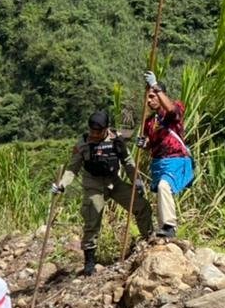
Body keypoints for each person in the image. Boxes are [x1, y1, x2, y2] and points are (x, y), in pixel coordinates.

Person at [51, 109, 153, 275]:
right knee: (93, 215)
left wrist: (137, 180)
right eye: (92, 131)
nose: (94, 135)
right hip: (94, 185)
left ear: (106, 129)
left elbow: (127, 161)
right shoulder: (83, 143)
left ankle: (148, 240)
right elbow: (72, 168)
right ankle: (89, 260)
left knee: (142, 206)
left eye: (98, 132)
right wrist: (61, 185)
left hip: (114, 183)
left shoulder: (116, 140)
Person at [138, 71, 194, 239]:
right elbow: (151, 143)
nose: (149, 101)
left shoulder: (174, 108)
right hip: (159, 163)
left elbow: (171, 110)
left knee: (164, 186)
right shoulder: (149, 121)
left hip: (175, 160)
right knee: (162, 191)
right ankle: (164, 228)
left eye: (152, 96)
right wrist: (144, 144)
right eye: (147, 98)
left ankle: (169, 226)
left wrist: (154, 85)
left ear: (160, 94)